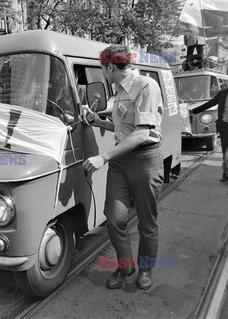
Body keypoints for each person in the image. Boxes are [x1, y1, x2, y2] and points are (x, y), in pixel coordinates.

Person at [82, 45, 164, 290]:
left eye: (103, 69)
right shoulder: (118, 90)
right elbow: (122, 129)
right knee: (115, 217)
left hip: (145, 160)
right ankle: (125, 266)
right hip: (121, 162)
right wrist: (98, 121)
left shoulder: (146, 86)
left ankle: (146, 269)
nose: (103, 74)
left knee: (147, 222)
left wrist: (103, 157)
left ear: (109, 67)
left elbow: (141, 134)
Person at [192, 87, 228, 181]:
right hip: (224, 126)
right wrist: (194, 111)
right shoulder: (223, 93)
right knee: (225, 151)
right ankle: (226, 173)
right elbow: (211, 103)